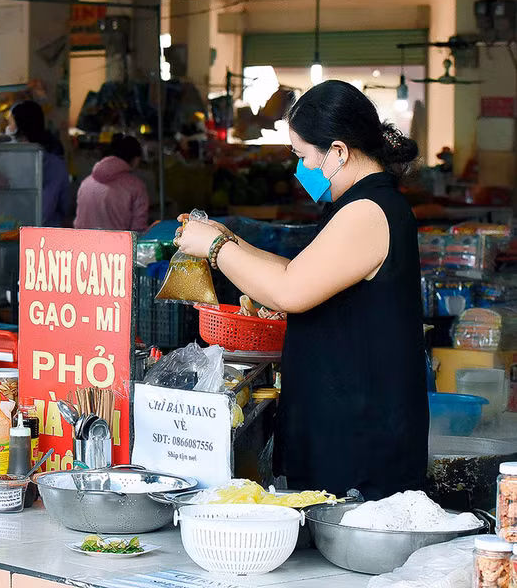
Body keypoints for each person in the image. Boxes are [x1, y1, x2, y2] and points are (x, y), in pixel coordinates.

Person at [175, 80, 426, 501]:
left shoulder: (368, 211)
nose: (300, 169)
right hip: (349, 424)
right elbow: (297, 272)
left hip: (361, 440)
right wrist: (228, 238)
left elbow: (289, 291)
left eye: (303, 155)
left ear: (338, 151)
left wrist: (216, 249)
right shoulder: (360, 204)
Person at [8, 100, 71, 227]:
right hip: (47, 232)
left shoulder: (9, 161)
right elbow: (65, 206)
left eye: (10, 123)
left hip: (16, 231)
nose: (8, 128)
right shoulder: (57, 165)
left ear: (19, 128)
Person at [74, 134, 149, 232]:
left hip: (85, 241)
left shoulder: (86, 183)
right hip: (119, 242)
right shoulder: (136, 187)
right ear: (136, 159)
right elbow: (138, 230)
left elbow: (78, 224)